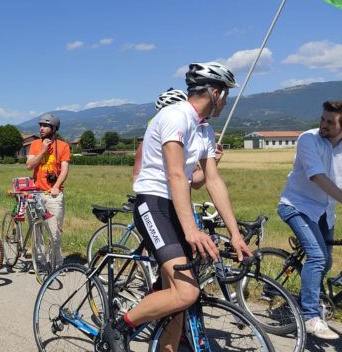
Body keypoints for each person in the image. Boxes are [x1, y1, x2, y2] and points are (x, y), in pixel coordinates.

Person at [102, 62, 253, 351]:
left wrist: (235, 234)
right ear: (216, 92)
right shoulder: (176, 116)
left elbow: (213, 181)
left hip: (175, 207)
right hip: (154, 204)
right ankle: (119, 328)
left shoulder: (205, 129)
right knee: (186, 292)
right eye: (226, 95)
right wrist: (192, 230)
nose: (226, 102)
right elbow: (175, 175)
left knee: (179, 302)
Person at [277, 100, 342, 340]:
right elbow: (317, 176)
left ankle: (300, 297)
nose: (323, 125)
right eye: (322, 119)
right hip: (297, 206)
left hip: (326, 212)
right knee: (317, 256)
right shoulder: (308, 139)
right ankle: (310, 316)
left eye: (330, 122)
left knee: (325, 263)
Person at [26, 113, 70, 270]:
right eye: (40, 125)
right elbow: (29, 165)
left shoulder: (64, 146)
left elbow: (65, 170)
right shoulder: (35, 144)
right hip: (35, 194)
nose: (41, 129)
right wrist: (43, 150)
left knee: (55, 232)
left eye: (45, 126)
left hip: (53, 195)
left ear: (54, 128)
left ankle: (56, 265)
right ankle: (38, 262)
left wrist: (56, 186)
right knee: (36, 231)